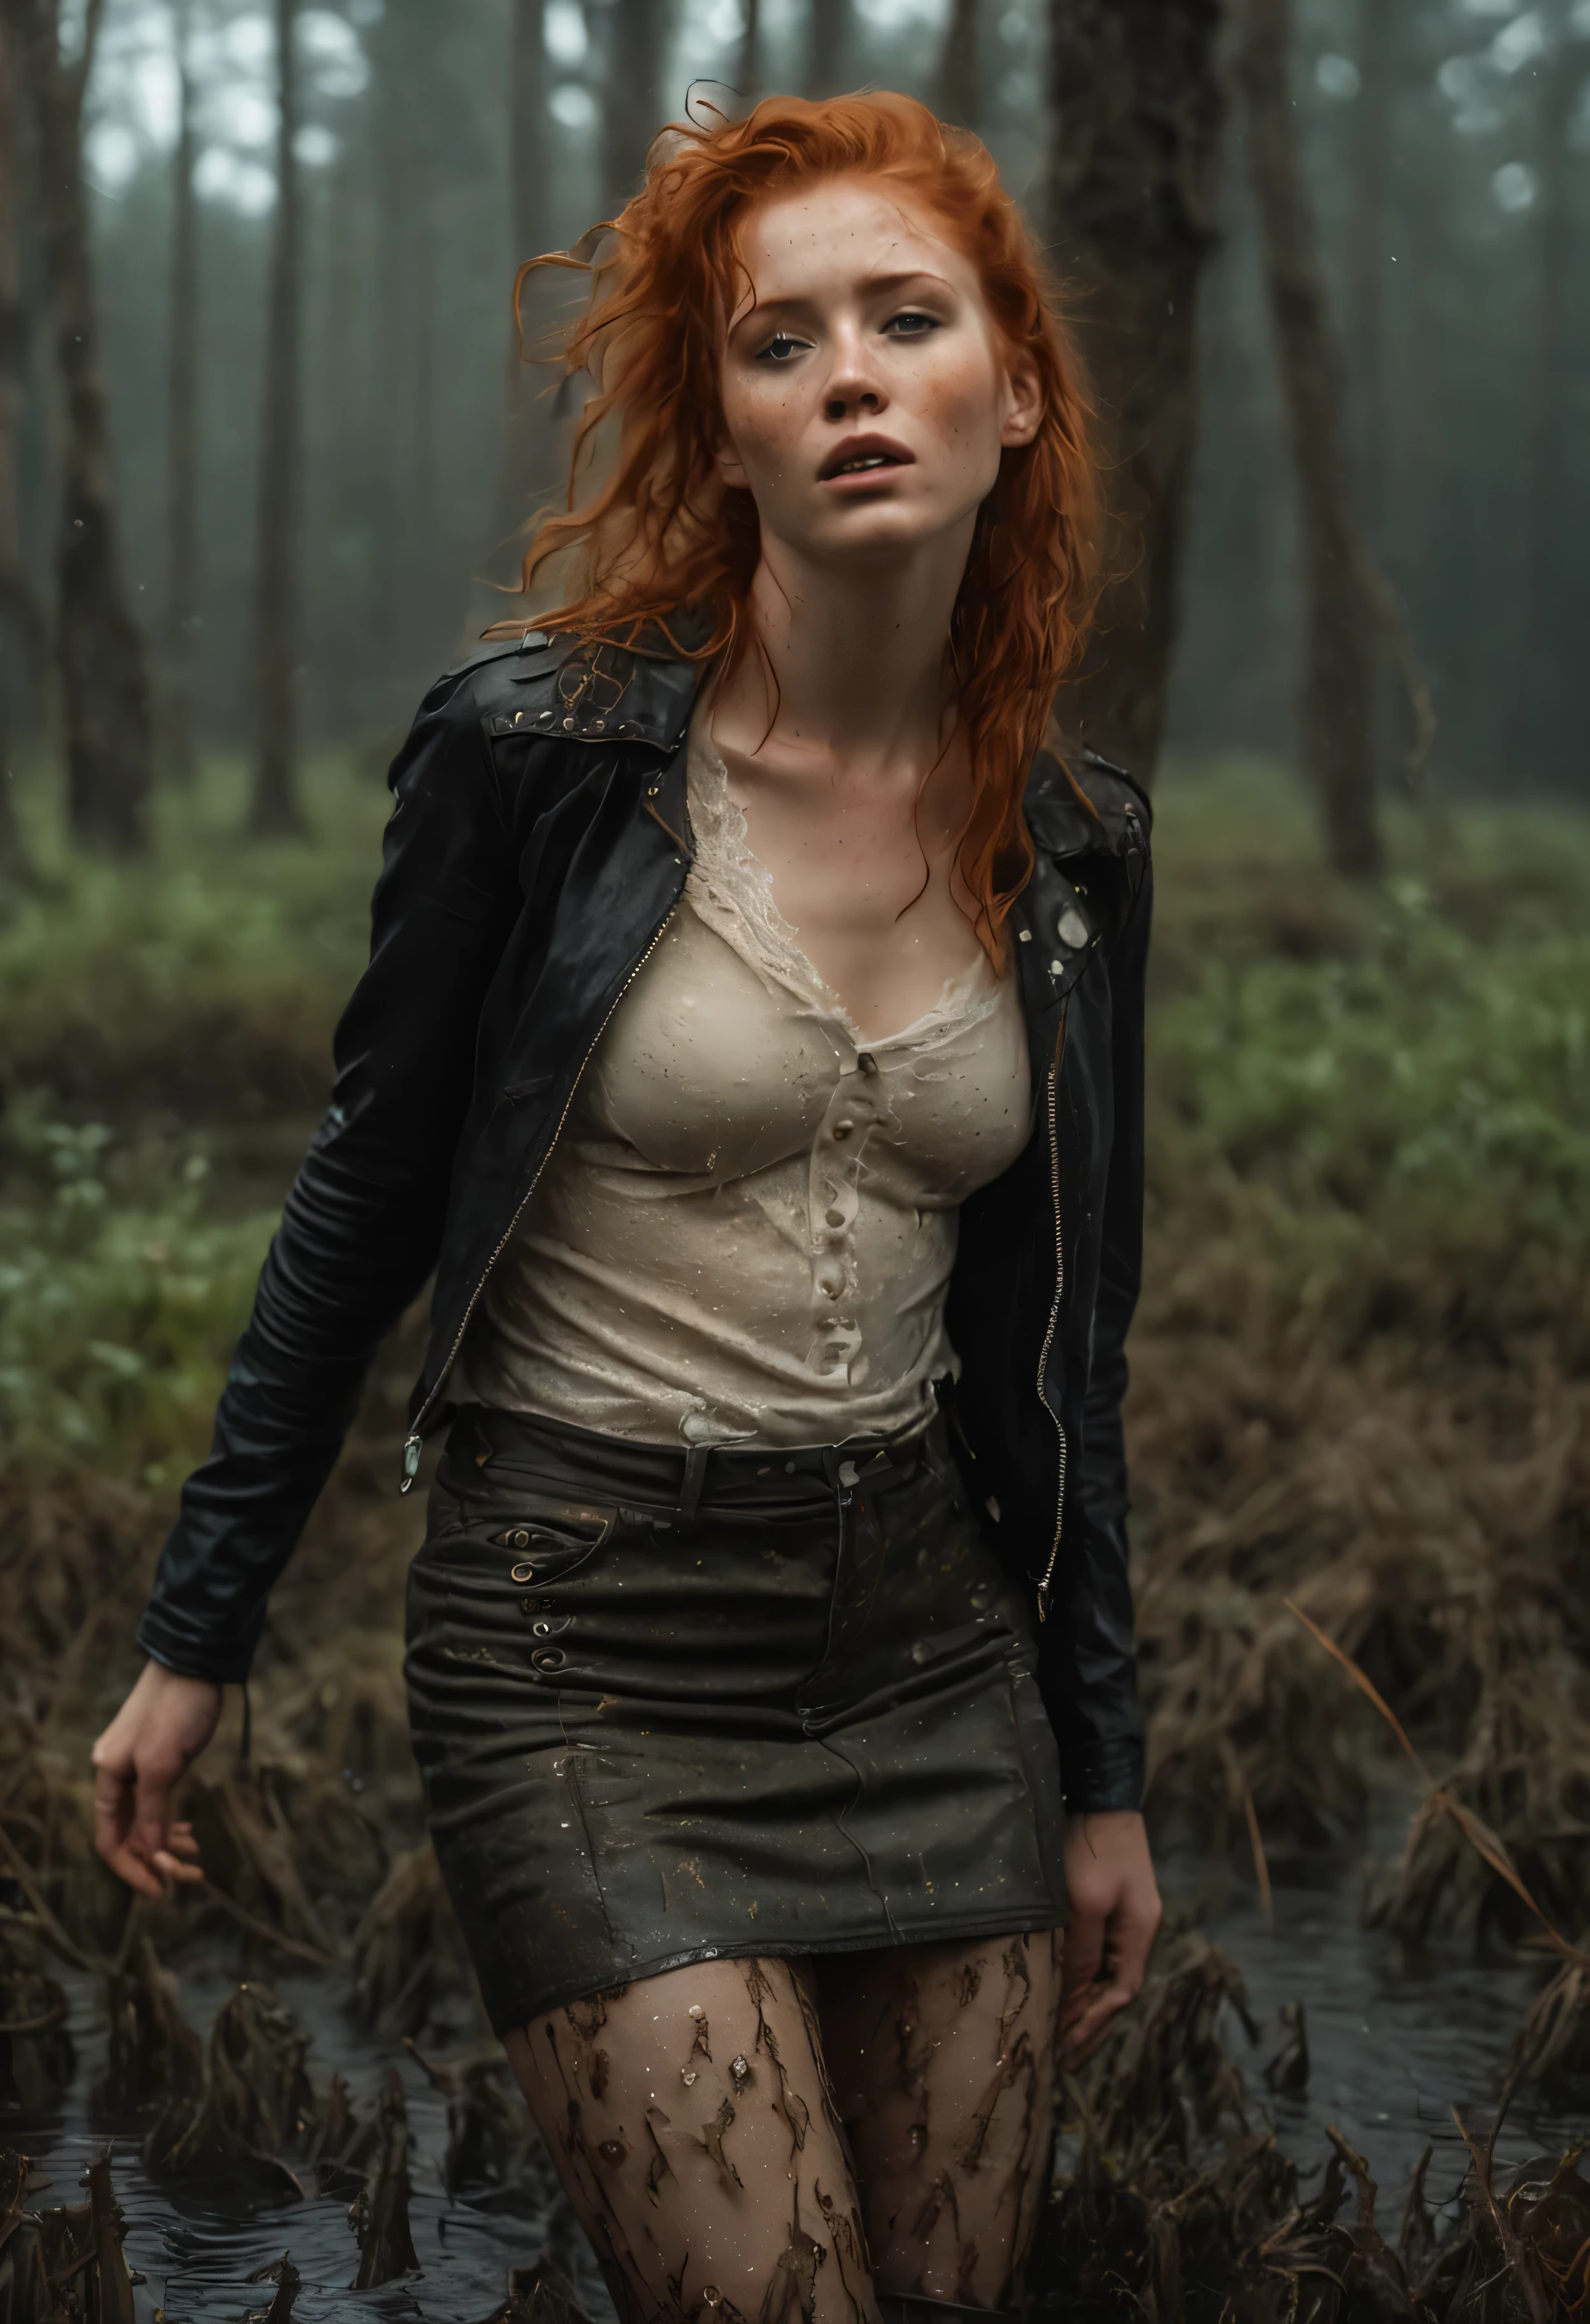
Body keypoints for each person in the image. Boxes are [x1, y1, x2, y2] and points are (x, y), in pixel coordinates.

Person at [90, 92, 1159, 2324]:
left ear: (1016, 386)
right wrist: (202, 1630)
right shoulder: (540, 758)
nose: (852, 374)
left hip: (930, 1654)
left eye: (909, 318)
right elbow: (360, 1202)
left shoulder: (1068, 838)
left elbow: (1066, 1349)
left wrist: (1105, 1770)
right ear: (730, 431)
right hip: (580, 1642)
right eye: (783, 345)